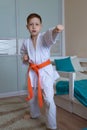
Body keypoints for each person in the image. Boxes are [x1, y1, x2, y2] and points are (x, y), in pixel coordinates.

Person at [20, 13, 64, 130]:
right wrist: (24, 57)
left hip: (45, 72)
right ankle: (34, 114)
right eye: (31, 24)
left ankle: (52, 126)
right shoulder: (26, 42)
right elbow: (23, 52)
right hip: (33, 72)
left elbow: (51, 37)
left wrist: (56, 30)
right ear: (27, 27)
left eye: (36, 24)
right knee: (32, 96)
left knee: (49, 99)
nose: (34, 27)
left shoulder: (44, 38)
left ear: (40, 26)